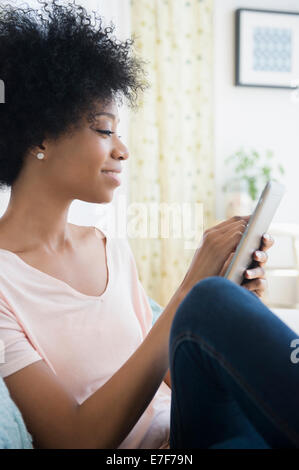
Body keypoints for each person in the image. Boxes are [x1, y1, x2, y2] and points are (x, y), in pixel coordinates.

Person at [0, 0, 290, 450]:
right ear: (39, 135)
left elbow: (167, 376)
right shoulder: (4, 284)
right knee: (208, 301)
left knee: (218, 306)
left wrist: (224, 309)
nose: (123, 150)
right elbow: (75, 439)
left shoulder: (109, 247)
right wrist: (194, 290)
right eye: (103, 129)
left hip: (191, 424)